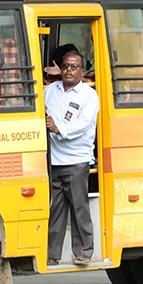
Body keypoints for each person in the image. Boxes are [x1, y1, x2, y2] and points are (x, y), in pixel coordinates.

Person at [45, 49, 98, 266]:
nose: (68, 70)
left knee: (79, 208)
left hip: (76, 159)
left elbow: (82, 125)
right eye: (65, 66)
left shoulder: (88, 95)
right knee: (55, 209)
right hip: (54, 159)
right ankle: (52, 253)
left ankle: (83, 252)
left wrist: (58, 128)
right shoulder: (51, 90)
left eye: (74, 66)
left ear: (83, 72)